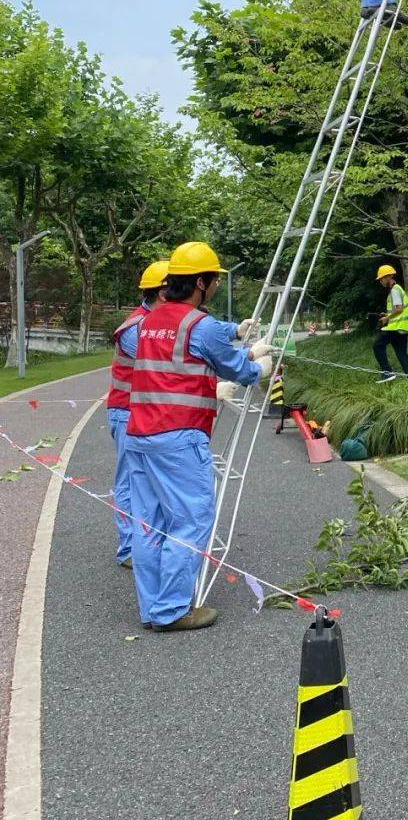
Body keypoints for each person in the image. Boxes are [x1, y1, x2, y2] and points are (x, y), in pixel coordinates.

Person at [124, 242, 272, 632]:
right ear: (202, 282)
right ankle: (172, 610)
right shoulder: (198, 325)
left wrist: (235, 337)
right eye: (215, 280)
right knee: (190, 521)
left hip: (140, 434)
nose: (216, 287)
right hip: (178, 437)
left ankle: (152, 609)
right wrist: (260, 367)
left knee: (148, 524)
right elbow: (237, 368)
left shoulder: (148, 322)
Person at [106, 260, 169, 568]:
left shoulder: (158, 322)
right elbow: (166, 363)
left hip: (140, 413)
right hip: (126, 413)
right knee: (131, 482)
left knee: (145, 482)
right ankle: (129, 548)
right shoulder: (137, 329)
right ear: (163, 293)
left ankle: (146, 541)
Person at [372, 264, 408, 383]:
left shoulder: (395, 290)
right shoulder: (396, 289)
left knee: (377, 345)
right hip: (403, 328)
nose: (380, 281)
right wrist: (387, 315)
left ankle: (387, 373)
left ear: (388, 277)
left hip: (396, 328)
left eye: (381, 278)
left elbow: (399, 309)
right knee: (401, 353)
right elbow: (397, 310)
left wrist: (386, 319)